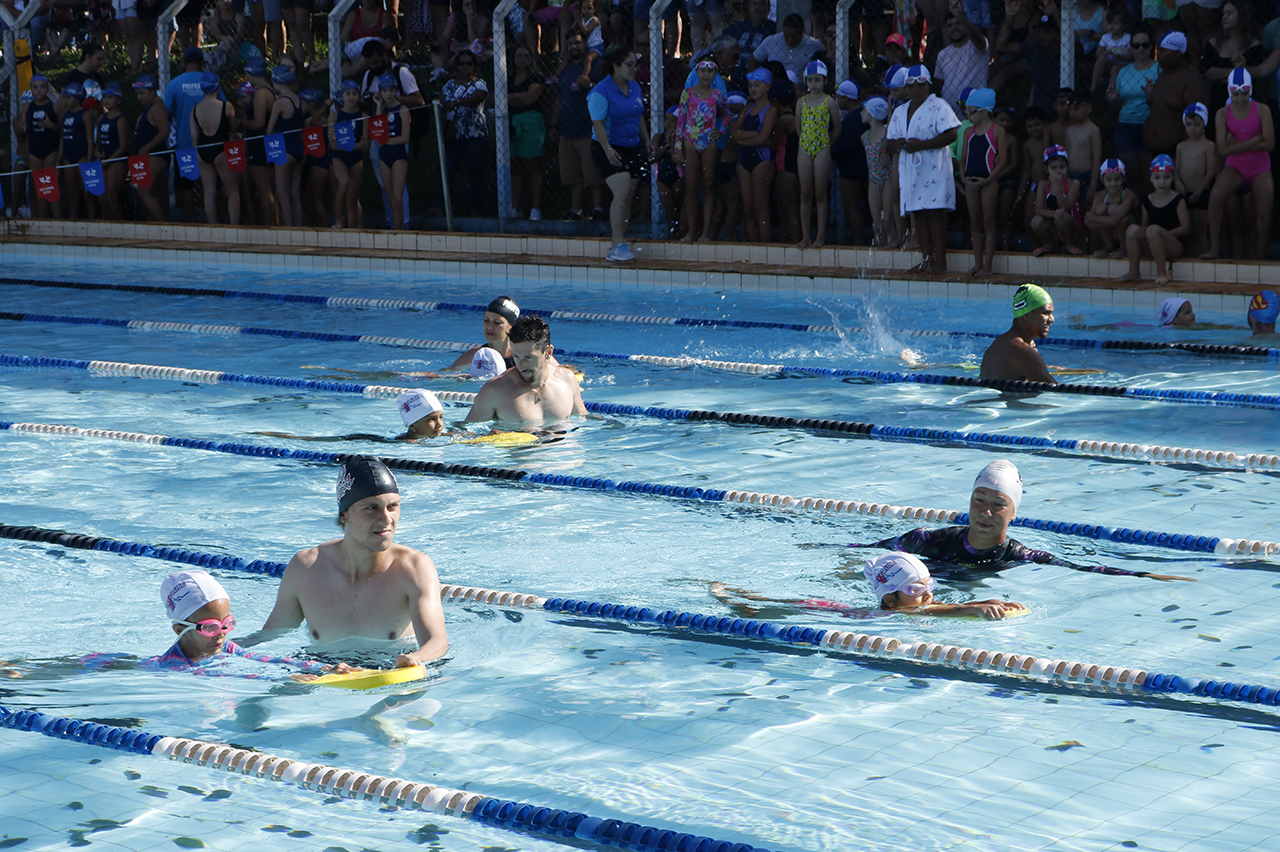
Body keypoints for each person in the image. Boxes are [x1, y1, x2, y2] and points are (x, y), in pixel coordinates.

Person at [851, 461, 1195, 581]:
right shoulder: (929, 540)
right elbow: (860, 552)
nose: (985, 512)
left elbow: (1085, 569)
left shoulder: (1021, 556)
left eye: (998, 505)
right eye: (979, 501)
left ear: (1014, 512)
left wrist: (1145, 574)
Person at [260, 456, 450, 667]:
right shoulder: (306, 568)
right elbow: (269, 638)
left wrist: (415, 659)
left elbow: (437, 642)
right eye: (371, 508)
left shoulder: (413, 568)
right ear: (344, 515)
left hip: (390, 672)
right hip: (322, 672)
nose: (386, 519)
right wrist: (223, 646)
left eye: (393, 506)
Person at [708, 550, 1028, 621]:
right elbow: (924, 614)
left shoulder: (903, 605)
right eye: (916, 590)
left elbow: (929, 608)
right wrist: (969, 608)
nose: (928, 595)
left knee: (775, 600)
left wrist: (985, 600)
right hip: (827, 614)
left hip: (835, 609)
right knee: (754, 612)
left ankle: (738, 591)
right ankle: (727, 596)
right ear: (890, 600)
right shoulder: (896, 614)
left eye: (928, 584)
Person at [149, 569, 356, 676]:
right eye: (210, 627)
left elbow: (265, 660)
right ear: (179, 629)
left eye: (227, 624)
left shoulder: (224, 647)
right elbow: (227, 675)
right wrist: (282, 679)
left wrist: (320, 667)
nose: (222, 633)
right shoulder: (171, 666)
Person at [886, 64, 960, 275]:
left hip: (934, 170)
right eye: (911, 85)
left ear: (928, 85)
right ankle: (926, 259)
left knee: (935, 215)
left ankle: (941, 263)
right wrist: (898, 144)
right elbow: (889, 143)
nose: (916, 90)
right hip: (911, 172)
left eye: (921, 85)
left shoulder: (939, 106)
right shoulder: (900, 111)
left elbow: (952, 135)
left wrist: (922, 145)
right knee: (918, 215)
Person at [1202, 68, 1273, 260]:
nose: (1240, 98)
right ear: (1229, 91)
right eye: (1236, 93)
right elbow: (1223, 150)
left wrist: (1235, 143)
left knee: (1263, 220)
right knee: (1215, 196)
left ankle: (1260, 261)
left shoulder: (1262, 110)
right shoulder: (1222, 114)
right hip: (1235, 167)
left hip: (1260, 169)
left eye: (1244, 93)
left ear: (1250, 91)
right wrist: (1253, 141)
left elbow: (1270, 144)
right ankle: (1214, 248)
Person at [465, 316, 586, 425]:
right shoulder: (495, 390)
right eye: (516, 357)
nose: (521, 365)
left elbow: (584, 422)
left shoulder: (567, 380)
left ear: (548, 352)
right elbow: (465, 432)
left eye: (528, 357)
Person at [589, 44, 649, 263]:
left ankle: (619, 241)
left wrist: (646, 139)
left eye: (636, 65)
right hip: (608, 145)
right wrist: (608, 150)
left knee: (628, 195)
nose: (634, 69)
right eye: (629, 65)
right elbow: (598, 124)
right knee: (622, 190)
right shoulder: (600, 91)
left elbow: (638, 114)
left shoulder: (635, 87)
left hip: (632, 145)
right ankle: (616, 246)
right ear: (615, 66)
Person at [553, 28, 607, 222]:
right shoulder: (565, 68)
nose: (573, 47)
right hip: (566, 130)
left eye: (577, 42)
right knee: (572, 175)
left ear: (585, 43)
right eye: (570, 44)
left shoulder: (597, 65)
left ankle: (598, 209)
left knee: (593, 173)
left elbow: (605, 92)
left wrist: (589, 84)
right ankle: (576, 211)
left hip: (588, 129)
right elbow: (559, 96)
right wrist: (554, 124)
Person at [1143, 31, 1209, 181]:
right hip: (1150, 151)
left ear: (1178, 53)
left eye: (1163, 51)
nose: (1157, 54)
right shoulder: (1163, 75)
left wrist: (1183, 158)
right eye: (1158, 50)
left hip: (1175, 154)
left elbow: (1198, 123)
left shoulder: (1192, 81)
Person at [677, 59, 728, 243]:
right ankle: (691, 231)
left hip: (709, 141)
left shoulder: (717, 95)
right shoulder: (688, 94)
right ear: (696, 73)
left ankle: (705, 231)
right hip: (690, 141)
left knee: (708, 187)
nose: (706, 74)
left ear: (715, 74)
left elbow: (727, 114)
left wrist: (720, 131)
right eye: (703, 71)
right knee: (690, 188)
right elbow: (680, 121)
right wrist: (678, 147)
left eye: (710, 71)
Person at [1117, 154, 1188, 285]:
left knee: (1153, 230)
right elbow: (1144, 227)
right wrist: (1153, 237)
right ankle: (1134, 272)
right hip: (1153, 243)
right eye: (1157, 177)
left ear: (1172, 178)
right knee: (1132, 230)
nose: (1162, 182)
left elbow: (1185, 228)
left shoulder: (1178, 200)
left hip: (1174, 245)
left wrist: (1161, 235)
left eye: (1166, 177)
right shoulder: (1147, 201)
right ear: (1151, 178)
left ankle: (1161, 273)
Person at [164, 46, 216, 223]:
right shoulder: (210, 81)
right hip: (211, 142)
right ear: (202, 62)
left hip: (185, 143)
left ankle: (192, 221)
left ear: (184, 62)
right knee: (213, 184)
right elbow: (223, 106)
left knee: (186, 185)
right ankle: (217, 221)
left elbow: (166, 112)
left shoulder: (175, 84)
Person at [795, 60, 842, 249]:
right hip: (805, 148)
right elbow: (798, 128)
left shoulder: (829, 101)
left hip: (822, 147)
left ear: (825, 80)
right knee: (805, 193)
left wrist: (826, 145)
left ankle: (820, 236)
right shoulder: (801, 102)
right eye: (811, 80)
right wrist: (806, 143)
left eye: (817, 80)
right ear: (806, 81)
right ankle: (805, 236)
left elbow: (837, 128)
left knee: (820, 193)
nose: (814, 83)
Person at [1105, 25, 1158, 187]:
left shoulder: (1160, 69)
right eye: (1136, 45)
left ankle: (1146, 211)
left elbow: (1166, 101)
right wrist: (1113, 99)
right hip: (1125, 126)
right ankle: (1131, 209)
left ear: (1151, 47)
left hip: (1149, 125)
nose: (1140, 48)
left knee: (1147, 176)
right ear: (1131, 48)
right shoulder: (1124, 72)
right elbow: (1113, 105)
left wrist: (1153, 95)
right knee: (1130, 175)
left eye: (1145, 45)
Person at [960, 87, 1006, 275]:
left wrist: (988, 180)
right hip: (971, 182)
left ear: (985, 111)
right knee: (975, 222)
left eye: (971, 111)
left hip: (988, 182)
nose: (968, 115)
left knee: (988, 221)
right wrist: (963, 178)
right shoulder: (968, 132)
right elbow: (963, 159)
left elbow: (1003, 161)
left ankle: (988, 265)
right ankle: (977, 263)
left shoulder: (998, 131)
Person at [730, 67, 777, 244]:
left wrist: (745, 135)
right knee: (748, 210)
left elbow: (763, 138)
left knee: (761, 208)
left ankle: (766, 250)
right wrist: (752, 136)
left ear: (767, 86)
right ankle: (754, 248)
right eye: (750, 86)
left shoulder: (771, 110)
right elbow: (734, 134)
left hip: (761, 161)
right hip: (744, 161)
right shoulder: (748, 108)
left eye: (757, 85)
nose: (753, 89)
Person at [979, 283, 1056, 383]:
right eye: (1045, 313)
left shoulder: (998, 343)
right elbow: (1055, 392)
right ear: (1026, 315)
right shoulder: (1023, 351)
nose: (1052, 319)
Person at [191, 72, 240, 226]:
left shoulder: (195, 109)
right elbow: (233, 128)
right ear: (218, 88)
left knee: (209, 192)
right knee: (232, 191)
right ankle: (234, 226)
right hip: (221, 149)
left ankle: (213, 227)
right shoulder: (226, 106)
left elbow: (194, 137)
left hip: (202, 151)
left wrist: (197, 153)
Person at [1174, 102, 1217, 255]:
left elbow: (1210, 171)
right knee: (1187, 233)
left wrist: (1199, 191)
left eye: (1197, 124)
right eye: (1189, 124)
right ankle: (1189, 264)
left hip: (1201, 193)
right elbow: (1176, 170)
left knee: (1199, 234)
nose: (1192, 128)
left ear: (1204, 124)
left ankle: (1201, 265)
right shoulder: (1181, 147)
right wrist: (1178, 182)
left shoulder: (1208, 146)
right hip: (1184, 193)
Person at [830, 79, 869, 246]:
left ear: (846, 98)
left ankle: (858, 241)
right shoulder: (864, 115)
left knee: (851, 206)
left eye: (839, 97)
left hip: (852, 170)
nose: (837, 101)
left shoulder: (853, 119)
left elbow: (848, 145)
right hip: (865, 167)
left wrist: (829, 152)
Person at [16, 74, 59, 219]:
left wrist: (51, 125)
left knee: (51, 187)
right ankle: (41, 221)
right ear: (31, 90)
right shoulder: (27, 107)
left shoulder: (54, 107)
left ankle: (59, 223)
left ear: (47, 89)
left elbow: (63, 131)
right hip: (34, 151)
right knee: (39, 189)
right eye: (35, 88)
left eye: (42, 87)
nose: (39, 90)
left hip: (50, 150)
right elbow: (23, 131)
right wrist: (22, 128)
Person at [267, 65, 305, 227]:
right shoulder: (299, 100)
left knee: (282, 193)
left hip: (285, 151)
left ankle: (289, 230)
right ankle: (299, 227)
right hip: (300, 151)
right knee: (295, 194)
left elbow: (269, 131)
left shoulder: (280, 103)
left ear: (276, 82)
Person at [1031, 144, 1084, 256]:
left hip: (1073, 229)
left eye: (1062, 167)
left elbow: (1067, 208)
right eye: (1053, 168)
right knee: (1036, 221)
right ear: (1046, 169)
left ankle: (1070, 245)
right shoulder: (1043, 184)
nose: (1058, 171)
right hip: (1054, 227)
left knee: (1062, 217)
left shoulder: (1073, 184)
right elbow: (1038, 210)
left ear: (1067, 166)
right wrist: (1053, 213)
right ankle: (1050, 244)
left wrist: (1058, 188)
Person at [130, 74, 170, 223]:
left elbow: (165, 131)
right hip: (148, 156)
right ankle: (154, 225)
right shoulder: (150, 108)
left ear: (152, 92)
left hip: (155, 155)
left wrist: (146, 148)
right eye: (137, 94)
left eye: (142, 93)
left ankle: (164, 226)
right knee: (155, 193)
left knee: (144, 192)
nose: (139, 97)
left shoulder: (157, 107)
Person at [934, 0, 989, 108]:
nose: (954, 28)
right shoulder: (942, 54)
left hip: (975, 110)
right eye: (950, 25)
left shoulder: (977, 46)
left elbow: (976, 36)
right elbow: (940, 83)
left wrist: (960, 15)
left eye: (958, 23)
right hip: (950, 114)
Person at [329, 79, 368, 229]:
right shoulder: (334, 116)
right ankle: (338, 221)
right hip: (339, 158)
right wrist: (355, 145)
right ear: (342, 97)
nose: (351, 97)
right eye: (348, 94)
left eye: (354, 94)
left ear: (358, 96)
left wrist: (344, 145)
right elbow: (333, 146)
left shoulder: (363, 116)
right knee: (343, 183)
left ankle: (352, 230)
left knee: (352, 198)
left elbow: (366, 145)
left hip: (356, 159)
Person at [375, 74, 411, 230]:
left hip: (398, 155)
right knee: (390, 199)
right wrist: (377, 105)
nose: (388, 94)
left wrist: (386, 141)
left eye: (391, 90)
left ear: (396, 91)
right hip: (384, 156)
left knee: (397, 198)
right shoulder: (382, 110)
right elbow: (377, 131)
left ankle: (399, 232)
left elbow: (405, 138)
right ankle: (399, 228)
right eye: (385, 91)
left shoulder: (403, 109)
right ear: (380, 93)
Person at [446, 296, 521, 370]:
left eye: (497, 322)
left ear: (511, 326)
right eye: (486, 320)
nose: (489, 327)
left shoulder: (522, 355)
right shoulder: (477, 355)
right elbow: (447, 374)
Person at [1085, 159, 1137, 257]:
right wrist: (1115, 223)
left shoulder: (1128, 194)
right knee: (1101, 208)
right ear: (1102, 180)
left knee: (1113, 208)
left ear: (1123, 179)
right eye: (1108, 180)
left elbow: (1114, 220)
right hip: (1115, 226)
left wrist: (1092, 218)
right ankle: (1109, 245)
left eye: (1117, 179)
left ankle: (1124, 246)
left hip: (1128, 229)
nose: (1113, 183)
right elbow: (1089, 225)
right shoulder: (1100, 196)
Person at [750, 13, 824, 82]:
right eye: (786, 36)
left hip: (802, 91)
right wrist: (756, 81)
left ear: (802, 32)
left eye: (794, 37)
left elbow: (827, 57)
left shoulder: (813, 44)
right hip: (774, 87)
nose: (790, 40)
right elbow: (753, 61)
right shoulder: (772, 40)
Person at [860, 95, 893, 246]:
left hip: (887, 178)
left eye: (864, 110)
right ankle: (879, 247)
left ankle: (892, 243)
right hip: (873, 180)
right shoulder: (864, 136)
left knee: (887, 219)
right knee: (877, 223)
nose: (861, 113)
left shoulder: (887, 134)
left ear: (873, 113)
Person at [58, 82, 94, 220]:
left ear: (77, 98)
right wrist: (58, 161)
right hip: (68, 157)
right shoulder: (65, 116)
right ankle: (73, 225)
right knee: (72, 195)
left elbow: (90, 140)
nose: (65, 100)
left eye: (68, 97)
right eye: (64, 97)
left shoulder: (85, 115)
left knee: (88, 194)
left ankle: (93, 223)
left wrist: (89, 161)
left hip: (82, 157)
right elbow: (63, 139)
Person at [1063, 89, 1101, 207]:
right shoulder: (1069, 131)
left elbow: (1097, 159)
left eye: (1077, 109)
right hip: (1071, 177)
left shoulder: (1093, 130)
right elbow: (1067, 156)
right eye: (1070, 109)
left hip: (1087, 177)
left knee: (1086, 207)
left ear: (1088, 109)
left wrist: (1092, 186)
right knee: (1072, 207)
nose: (1072, 113)